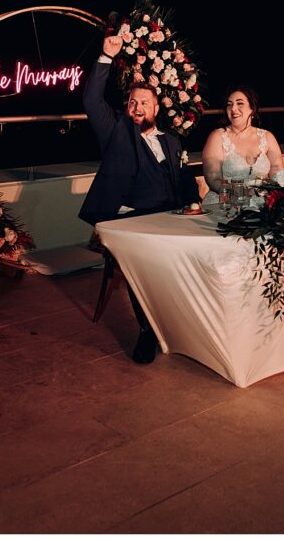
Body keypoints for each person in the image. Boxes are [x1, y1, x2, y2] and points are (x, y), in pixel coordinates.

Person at [79, 32, 200, 363]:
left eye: (144, 102)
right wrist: (105, 57)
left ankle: (186, 325)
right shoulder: (115, 130)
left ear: (156, 107)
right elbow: (91, 101)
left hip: (170, 217)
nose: (137, 107)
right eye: (132, 102)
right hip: (130, 218)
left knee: (200, 255)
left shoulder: (171, 141)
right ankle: (147, 331)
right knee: (143, 264)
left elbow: (185, 176)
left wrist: (194, 202)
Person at [201, 86, 284, 205]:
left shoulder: (267, 137)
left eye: (239, 103)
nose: (233, 109)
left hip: (262, 203)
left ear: (252, 108)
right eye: (229, 105)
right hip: (224, 203)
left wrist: (272, 194)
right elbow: (213, 179)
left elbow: (277, 169)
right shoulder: (217, 137)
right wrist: (244, 193)